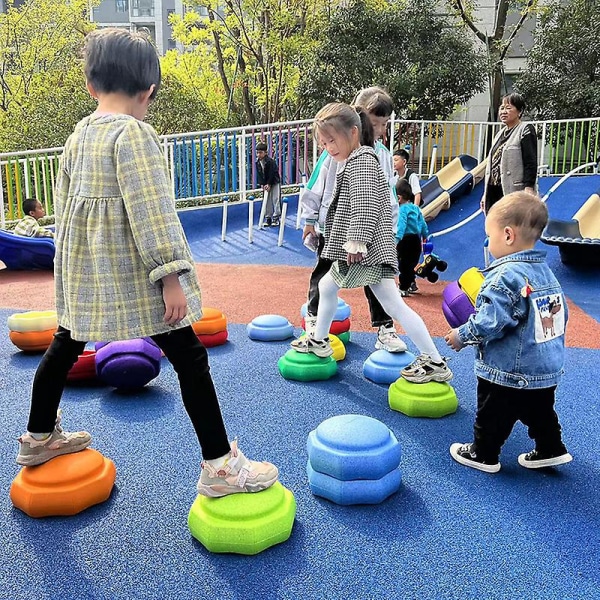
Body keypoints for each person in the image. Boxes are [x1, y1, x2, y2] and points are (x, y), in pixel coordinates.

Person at [15, 28, 278, 499]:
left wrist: (68, 275)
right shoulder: (134, 134)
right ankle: (219, 467)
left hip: (87, 274)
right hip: (136, 276)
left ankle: (38, 438)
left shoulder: (78, 135)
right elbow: (152, 211)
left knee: (64, 346)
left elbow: (65, 209)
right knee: (191, 359)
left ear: (91, 86)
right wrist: (170, 275)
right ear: (149, 90)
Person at [292, 102, 453, 385]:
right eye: (323, 143)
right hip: (367, 251)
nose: (328, 148)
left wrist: (356, 241)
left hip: (365, 252)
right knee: (332, 287)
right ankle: (319, 339)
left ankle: (433, 359)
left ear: (353, 133)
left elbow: (366, 205)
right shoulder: (354, 160)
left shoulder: (363, 161)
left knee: (391, 305)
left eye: (332, 140)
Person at [445, 192, 572, 473]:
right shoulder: (546, 272)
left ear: (507, 235)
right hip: (544, 367)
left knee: (492, 412)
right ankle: (551, 448)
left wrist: (461, 335)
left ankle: (483, 453)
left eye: (489, 237)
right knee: (540, 411)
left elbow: (491, 322)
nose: (488, 243)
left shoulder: (504, 276)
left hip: (508, 369)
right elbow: (562, 313)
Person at [300, 86, 407, 353]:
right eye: (374, 123)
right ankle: (314, 323)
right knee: (323, 274)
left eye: (383, 125)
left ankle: (385, 328)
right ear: (356, 124)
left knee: (377, 282)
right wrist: (310, 219)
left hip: (367, 233)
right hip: (334, 229)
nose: (380, 130)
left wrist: (391, 228)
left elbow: (388, 195)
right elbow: (315, 186)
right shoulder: (332, 150)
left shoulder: (382, 154)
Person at [482, 93, 538, 215]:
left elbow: (531, 161)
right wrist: (485, 194)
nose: (503, 111)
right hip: (494, 189)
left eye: (508, 108)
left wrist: (529, 187)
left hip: (513, 189)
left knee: (512, 223)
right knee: (495, 224)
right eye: (502, 108)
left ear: (520, 111)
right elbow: (492, 164)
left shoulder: (525, 129)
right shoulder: (499, 134)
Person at [395, 179, 428, 297]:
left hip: (405, 240)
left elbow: (401, 226)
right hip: (416, 239)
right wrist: (425, 236)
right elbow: (423, 224)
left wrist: (396, 240)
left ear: (399, 198)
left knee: (403, 265)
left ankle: (403, 287)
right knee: (411, 263)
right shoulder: (416, 208)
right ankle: (411, 283)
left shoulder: (402, 210)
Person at [256, 141, 281, 227]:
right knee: (267, 200)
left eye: (261, 153)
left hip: (274, 181)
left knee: (275, 198)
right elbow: (259, 174)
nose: (259, 155)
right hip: (266, 183)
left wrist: (269, 184)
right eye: (257, 153)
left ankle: (276, 217)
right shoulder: (257, 163)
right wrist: (262, 184)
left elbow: (272, 173)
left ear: (265, 153)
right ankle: (268, 217)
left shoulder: (270, 162)